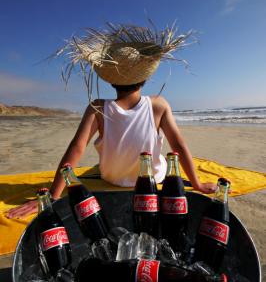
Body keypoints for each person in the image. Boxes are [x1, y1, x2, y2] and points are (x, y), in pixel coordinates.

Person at [7, 23, 217, 219]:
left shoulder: (97, 108)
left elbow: (77, 148)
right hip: (154, 179)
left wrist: (54, 194)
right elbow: (178, 145)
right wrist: (196, 184)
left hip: (111, 178)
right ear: (145, 77)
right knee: (161, 161)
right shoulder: (158, 105)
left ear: (111, 81)